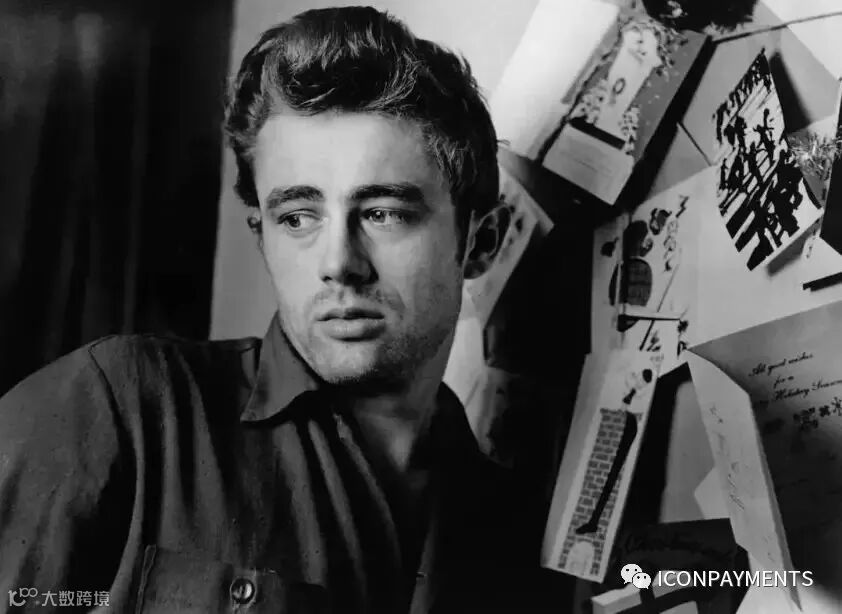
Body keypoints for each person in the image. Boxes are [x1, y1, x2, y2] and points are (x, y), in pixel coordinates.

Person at [0, 6, 546, 613]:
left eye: (383, 213)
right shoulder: (122, 409)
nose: (338, 263)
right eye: (297, 218)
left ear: (481, 242)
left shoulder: (512, 522)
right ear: (263, 237)